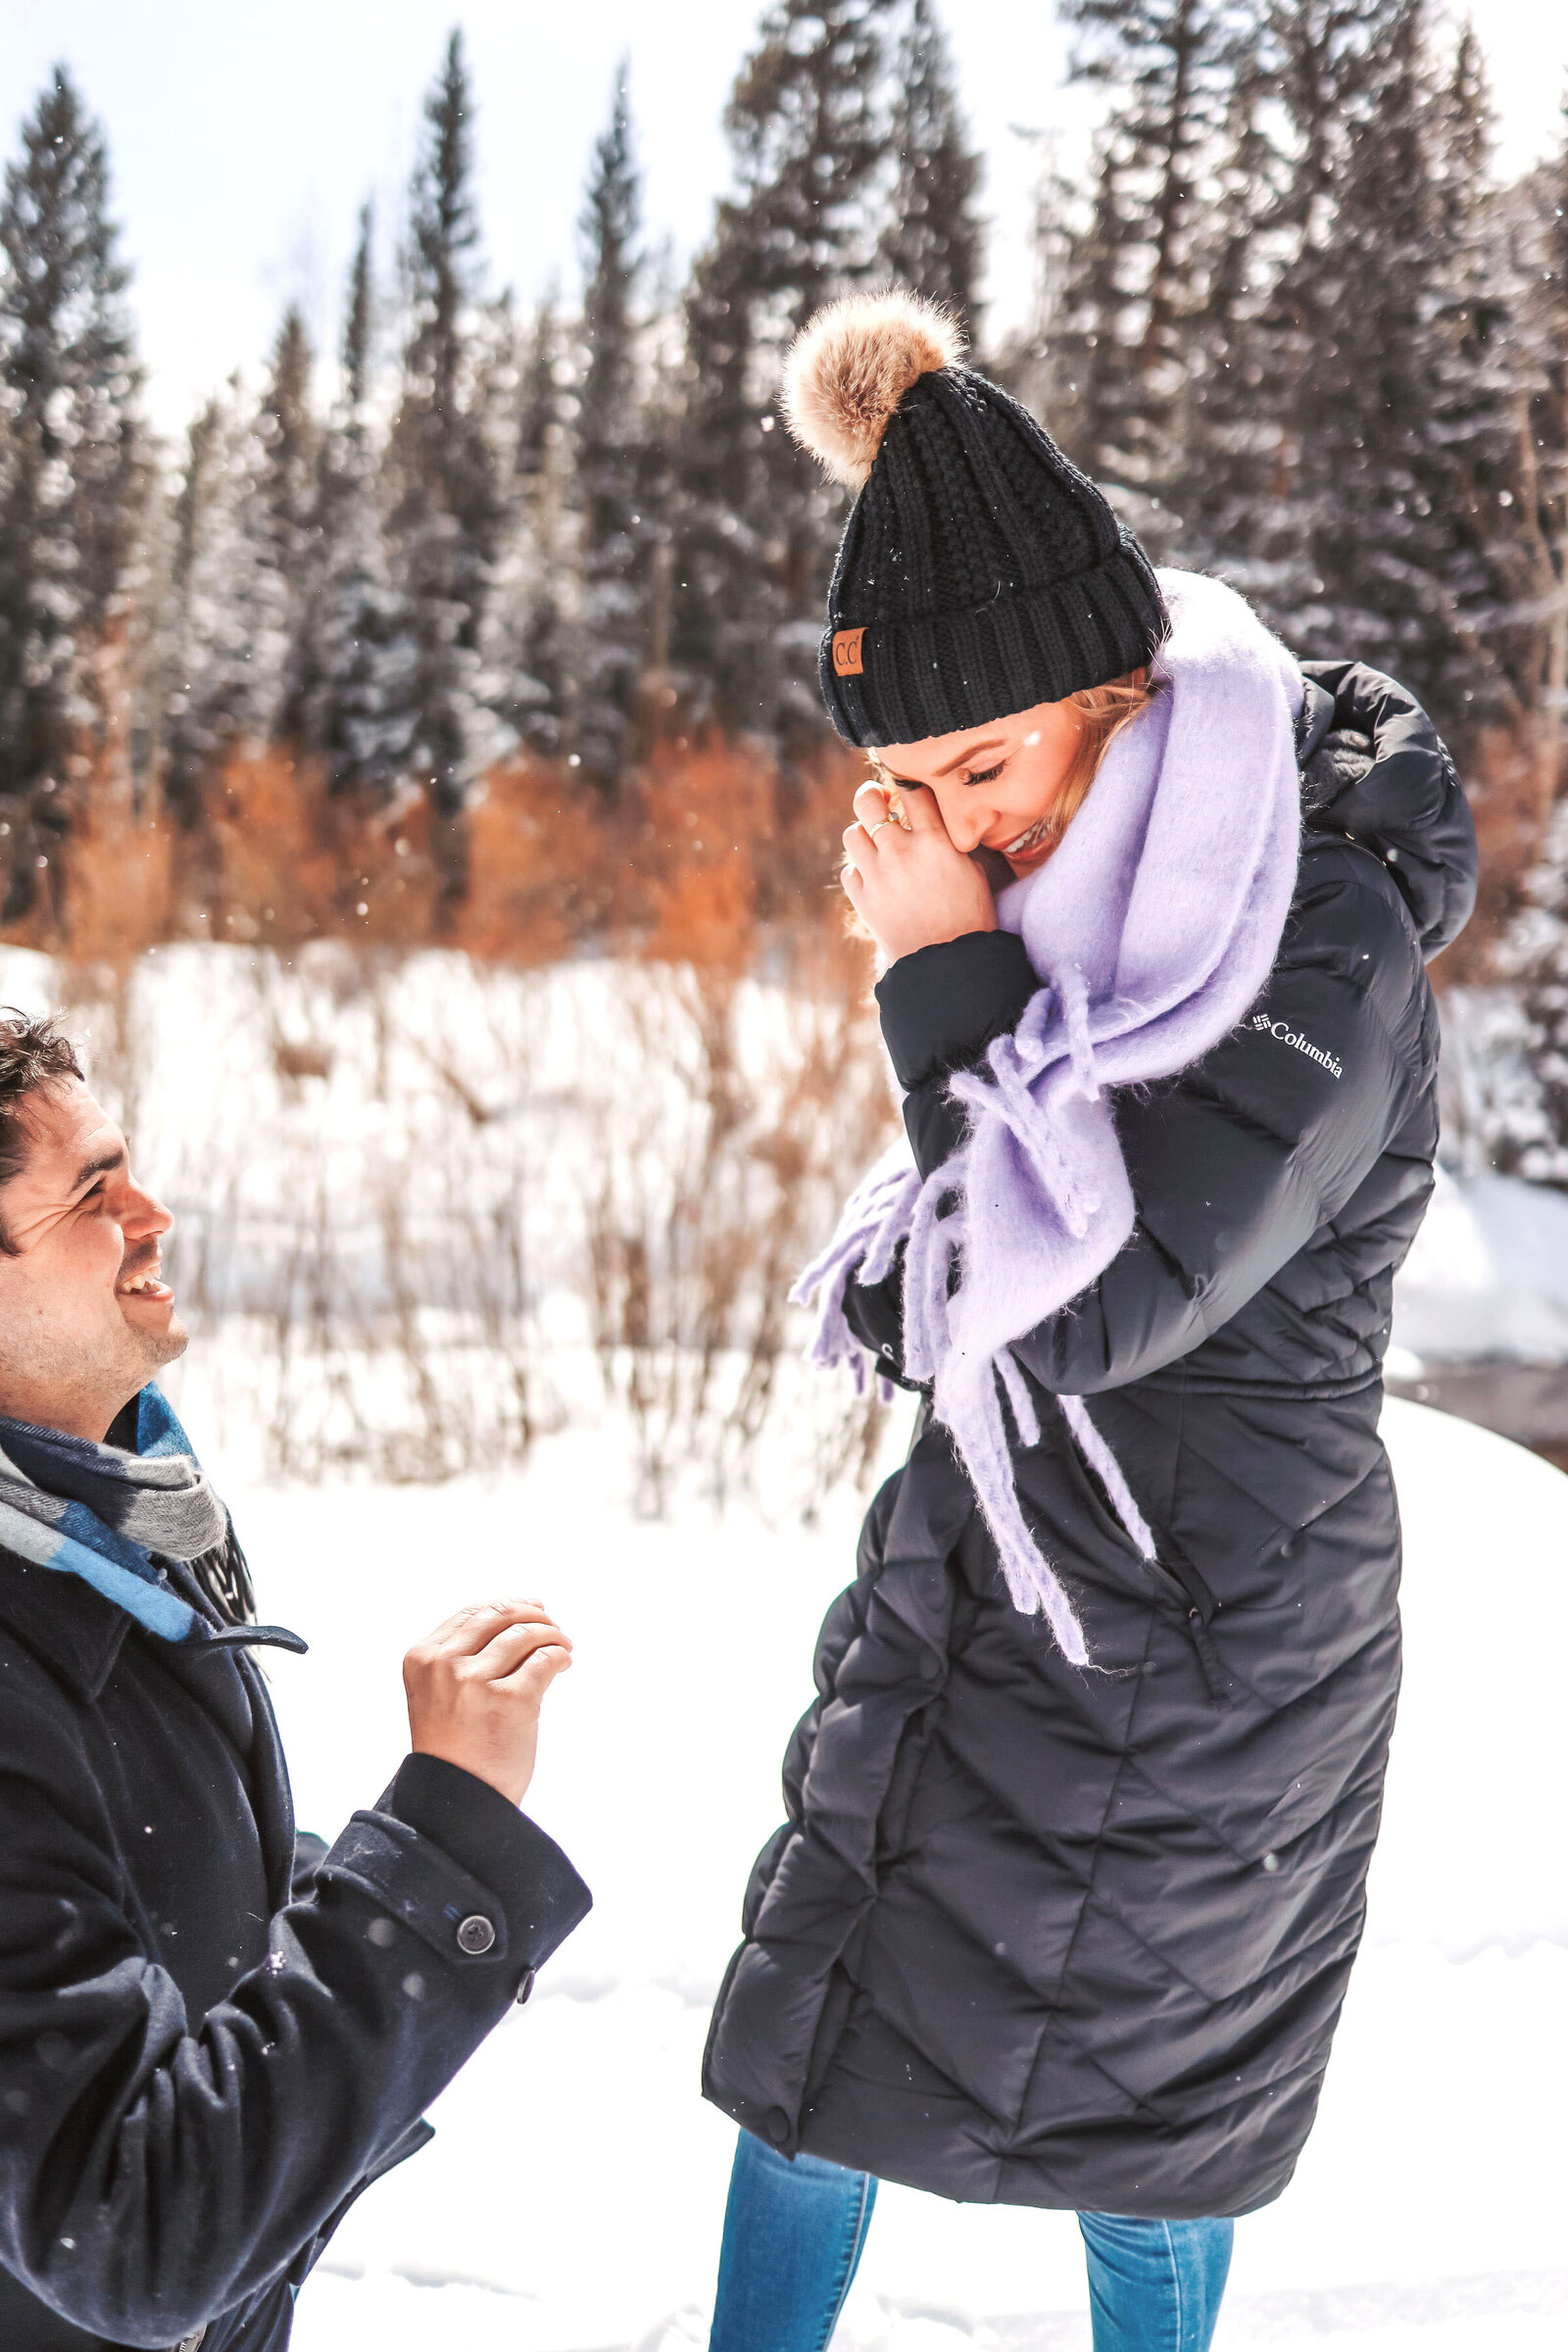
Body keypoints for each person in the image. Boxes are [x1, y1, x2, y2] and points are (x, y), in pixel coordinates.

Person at [702, 292, 1478, 2352]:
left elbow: (1085, 1298)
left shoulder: (1318, 929)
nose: (958, 824)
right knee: (811, 2074)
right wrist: (963, 975)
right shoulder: (1070, 892)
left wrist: (937, 984)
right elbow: (941, 1275)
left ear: (1119, 688)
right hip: (986, 1576)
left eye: (987, 760)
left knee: (1149, 2149)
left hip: (1216, 1643)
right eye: (908, 783)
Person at [0, 1014, 590, 2352]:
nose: (152, 1214)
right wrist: (436, 1864)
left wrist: (397, 1900)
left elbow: (137, 1883)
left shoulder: (111, 1512)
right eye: (92, 1194)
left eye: (127, 1166)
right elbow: (133, 2232)